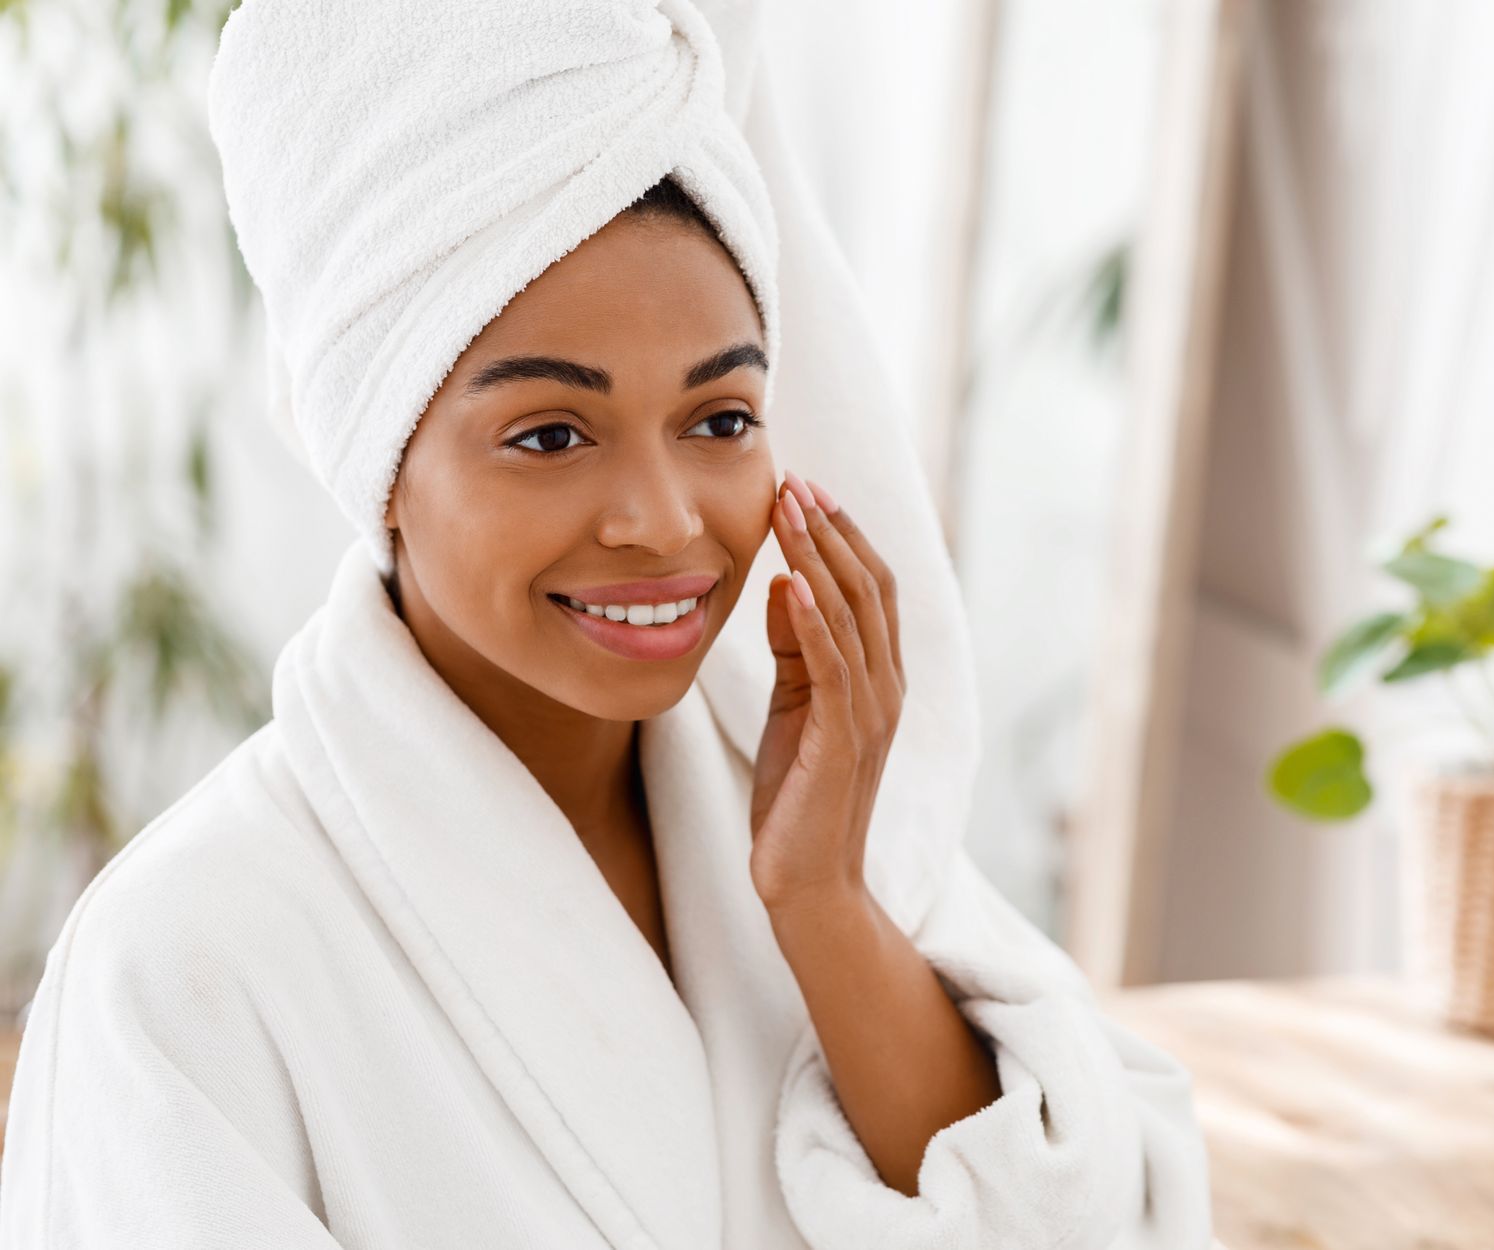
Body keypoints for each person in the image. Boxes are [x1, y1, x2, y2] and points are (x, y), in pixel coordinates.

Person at [0, 1, 1215, 1246]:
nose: (666, 518)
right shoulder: (181, 960)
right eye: (549, 434)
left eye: (721, 419)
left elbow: (1093, 1219)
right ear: (379, 470)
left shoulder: (802, 822)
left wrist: (822, 901)